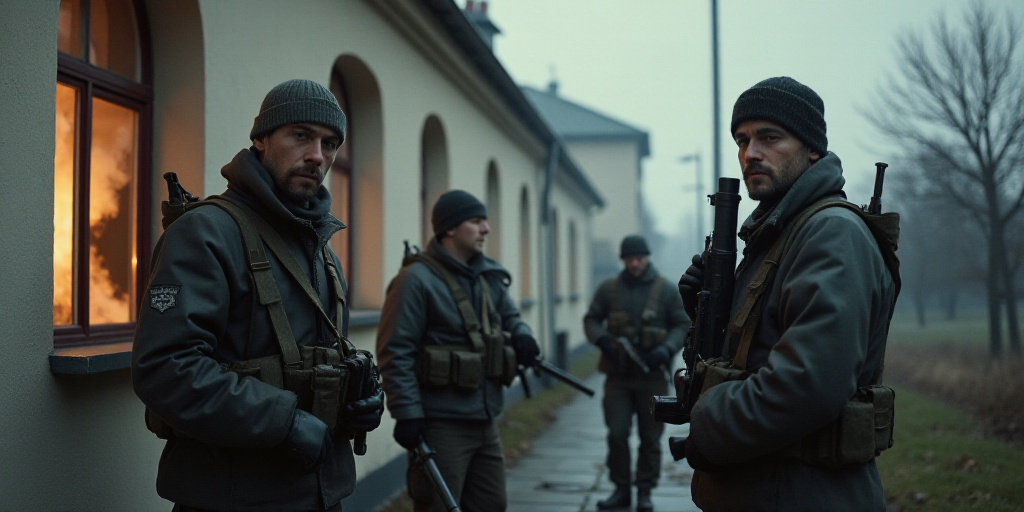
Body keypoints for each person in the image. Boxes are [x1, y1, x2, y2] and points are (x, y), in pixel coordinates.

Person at [132, 79, 384, 512]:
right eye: (301, 135)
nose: (316, 156)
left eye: (330, 143)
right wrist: (283, 422)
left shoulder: (321, 250)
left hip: (321, 493)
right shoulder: (206, 233)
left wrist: (359, 400)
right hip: (231, 497)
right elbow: (165, 368)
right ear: (261, 139)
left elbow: (317, 362)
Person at [677, 76, 898, 511]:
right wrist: (707, 315)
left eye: (769, 137)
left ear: (812, 147)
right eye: (742, 140)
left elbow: (807, 384)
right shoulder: (781, 233)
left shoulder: (831, 234)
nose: (750, 154)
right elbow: (756, 352)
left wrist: (708, 427)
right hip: (769, 488)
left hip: (804, 492)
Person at [376, 190, 541, 512]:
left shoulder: (485, 276)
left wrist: (523, 336)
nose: (486, 229)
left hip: (485, 419)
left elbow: (511, 317)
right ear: (450, 228)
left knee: (492, 505)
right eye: (476, 221)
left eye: (485, 221)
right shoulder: (415, 280)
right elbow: (396, 352)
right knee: (439, 507)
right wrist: (408, 414)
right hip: (441, 426)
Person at [583, 235, 688, 512]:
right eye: (629, 259)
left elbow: (682, 324)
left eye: (639, 258)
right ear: (623, 260)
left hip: (652, 377)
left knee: (650, 438)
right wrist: (602, 339)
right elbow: (591, 319)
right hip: (617, 378)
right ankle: (621, 488)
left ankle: (645, 491)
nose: (634, 263)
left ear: (647, 257)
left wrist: (665, 349)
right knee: (617, 434)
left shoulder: (665, 290)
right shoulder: (609, 289)